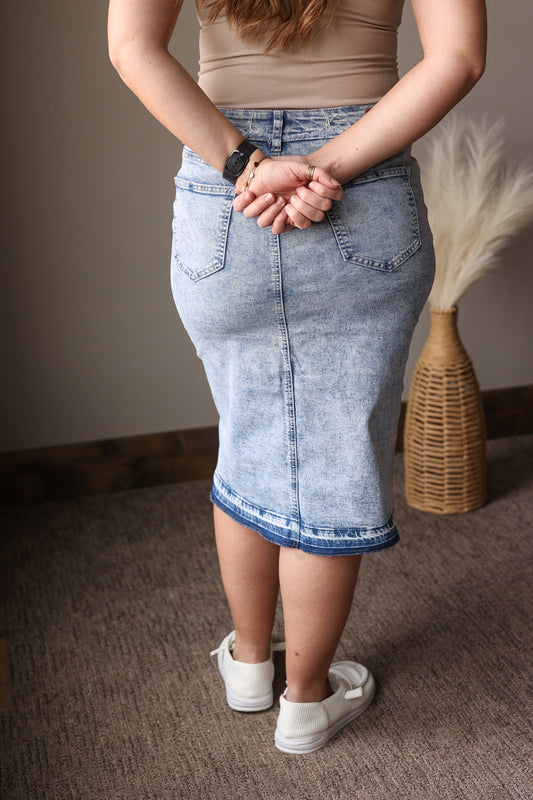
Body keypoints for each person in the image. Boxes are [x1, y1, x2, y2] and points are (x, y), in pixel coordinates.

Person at [108, 0, 487, 754]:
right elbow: (457, 59)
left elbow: (131, 47)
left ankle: (251, 664)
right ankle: (306, 700)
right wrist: (327, 167)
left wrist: (247, 163)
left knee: (246, 432)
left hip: (228, 194)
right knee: (336, 451)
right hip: (359, 186)